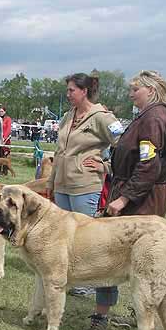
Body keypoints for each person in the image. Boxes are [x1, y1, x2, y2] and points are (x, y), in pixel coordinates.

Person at [81, 70, 166, 330]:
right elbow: (134, 160)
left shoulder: (154, 119)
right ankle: (132, 313)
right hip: (135, 194)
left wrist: (123, 199)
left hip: (140, 201)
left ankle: (103, 317)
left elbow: (148, 166)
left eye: (135, 89)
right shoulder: (146, 117)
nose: (131, 93)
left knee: (119, 258)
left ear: (151, 91)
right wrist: (109, 167)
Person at [46, 73, 123, 297]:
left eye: (71, 90)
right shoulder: (67, 116)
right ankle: (68, 278)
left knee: (86, 238)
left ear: (84, 91)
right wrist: (51, 181)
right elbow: (59, 151)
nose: (68, 94)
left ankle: (89, 283)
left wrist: (106, 166)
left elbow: (125, 144)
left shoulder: (102, 117)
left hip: (85, 185)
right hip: (62, 185)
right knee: (63, 235)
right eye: (67, 90)